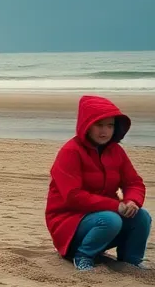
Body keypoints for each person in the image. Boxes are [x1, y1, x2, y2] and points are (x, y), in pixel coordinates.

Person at [45, 96, 148, 272]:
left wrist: (132, 201)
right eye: (99, 125)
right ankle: (83, 256)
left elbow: (134, 183)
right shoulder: (70, 152)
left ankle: (131, 261)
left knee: (141, 216)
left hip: (102, 219)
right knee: (111, 219)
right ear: (87, 125)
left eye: (110, 125)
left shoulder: (116, 151)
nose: (105, 131)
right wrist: (116, 206)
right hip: (68, 222)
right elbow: (73, 196)